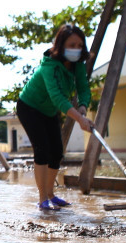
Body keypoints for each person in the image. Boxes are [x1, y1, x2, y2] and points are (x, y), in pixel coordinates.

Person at [17, 24, 94, 211]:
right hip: (30, 107)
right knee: (42, 150)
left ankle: (50, 193)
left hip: (49, 111)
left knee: (57, 152)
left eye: (79, 45)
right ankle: (42, 198)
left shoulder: (77, 65)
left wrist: (83, 107)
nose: (76, 49)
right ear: (61, 45)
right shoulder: (49, 66)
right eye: (71, 45)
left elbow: (83, 88)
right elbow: (58, 97)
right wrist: (79, 119)